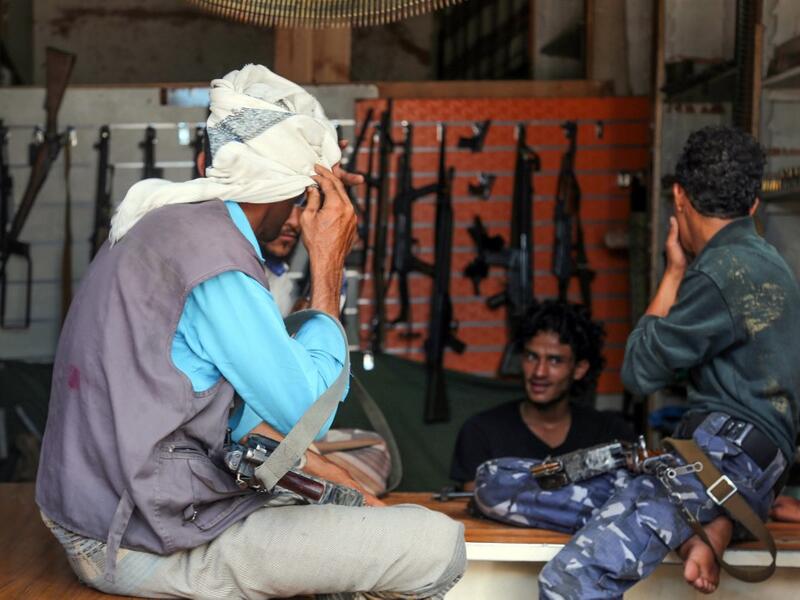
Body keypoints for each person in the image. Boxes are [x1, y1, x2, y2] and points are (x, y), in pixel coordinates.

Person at [35, 64, 465, 599]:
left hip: (111, 516)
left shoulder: (172, 225)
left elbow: (242, 423)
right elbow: (306, 411)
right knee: (437, 545)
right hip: (134, 544)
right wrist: (327, 269)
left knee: (356, 470)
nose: (308, 217)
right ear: (294, 186)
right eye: (312, 196)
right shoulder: (217, 264)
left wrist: (347, 487)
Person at [534, 125, 799, 598]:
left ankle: (712, 519)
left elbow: (640, 371)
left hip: (723, 459)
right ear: (754, 205)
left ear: (679, 196)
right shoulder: (768, 263)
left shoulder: (719, 271)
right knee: (501, 485)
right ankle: (713, 523)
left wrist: (674, 270)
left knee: (570, 582)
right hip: (749, 468)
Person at [450, 300, 634, 487]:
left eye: (555, 360)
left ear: (579, 369)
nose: (539, 372)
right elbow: (473, 505)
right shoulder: (482, 431)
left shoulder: (608, 433)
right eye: (532, 357)